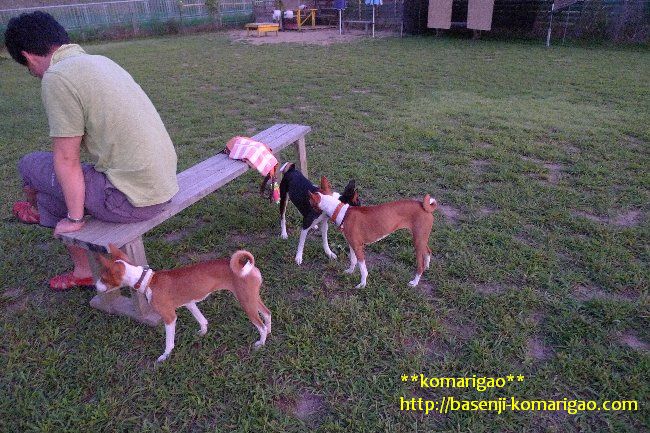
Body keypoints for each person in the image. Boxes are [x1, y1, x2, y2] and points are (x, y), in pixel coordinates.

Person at [5, 11, 179, 290]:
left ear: (28, 57)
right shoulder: (101, 61)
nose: (34, 74)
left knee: (29, 165)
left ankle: (37, 210)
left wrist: (75, 219)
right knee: (53, 193)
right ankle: (81, 267)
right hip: (163, 185)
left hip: (131, 199)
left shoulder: (57, 77)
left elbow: (66, 159)